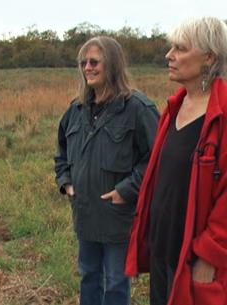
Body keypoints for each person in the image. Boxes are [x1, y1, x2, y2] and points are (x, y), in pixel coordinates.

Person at [126, 17, 227, 305]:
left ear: (209, 57)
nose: (169, 55)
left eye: (180, 48)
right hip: (164, 246)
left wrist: (210, 254)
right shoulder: (175, 106)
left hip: (195, 257)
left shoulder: (223, 113)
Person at [54, 36, 159, 305]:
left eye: (94, 61)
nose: (87, 67)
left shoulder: (138, 109)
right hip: (85, 213)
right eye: (83, 62)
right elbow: (62, 151)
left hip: (119, 217)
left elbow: (157, 159)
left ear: (112, 64)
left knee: (115, 281)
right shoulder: (76, 110)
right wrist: (66, 182)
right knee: (88, 275)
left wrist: (126, 190)